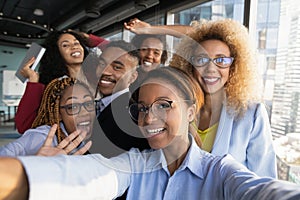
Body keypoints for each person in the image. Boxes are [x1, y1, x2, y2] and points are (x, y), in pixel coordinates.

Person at [1, 67, 300, 200]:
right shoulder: (133, 165)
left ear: (192, 111)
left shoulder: (220, 172)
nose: (148, 118)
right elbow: (88, 177)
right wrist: (36, 172)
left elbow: (261, 191)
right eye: (141, 109)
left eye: (163, 105)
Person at [124, 18, 277, 178]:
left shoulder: (251, 114)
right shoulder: (178, 106)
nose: (211, 68)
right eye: (201, 59)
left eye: (221, 60)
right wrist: (149, 29)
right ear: (190, 64)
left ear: (234, 66)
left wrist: (150, 29)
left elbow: (265, 178)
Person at [15, 30, 108, 134]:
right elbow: (23, 126)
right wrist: (33, 81)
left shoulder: (96, 76)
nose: (74, 47)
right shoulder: (54, 87)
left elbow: (119, 53)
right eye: (65, 45)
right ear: (57, 53)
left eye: (77, 43)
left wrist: (87, 38)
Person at [0, 77, 93, 156]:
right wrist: (36, 164)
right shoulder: (41, 137)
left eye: (89, 104)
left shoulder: (89, 136)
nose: (85, 112)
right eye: (73, 106)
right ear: (59, 113)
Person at [90, 40, 150, 156]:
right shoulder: (95, 104)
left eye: (117, 67)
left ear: (132, 77)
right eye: (102, 64)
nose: (105, 71)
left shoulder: (131, 116)